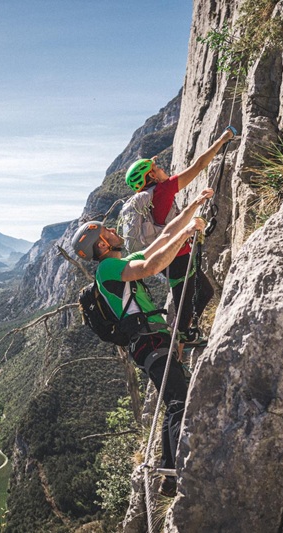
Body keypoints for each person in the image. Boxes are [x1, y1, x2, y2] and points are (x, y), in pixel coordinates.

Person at [71, 189, 213, 497]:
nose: (114, 231)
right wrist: (188, 230)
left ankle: (168, 475)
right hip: (148, 343)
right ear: (103, 243)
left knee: (173, 398)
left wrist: (193, 206)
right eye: (108, 230)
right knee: (178, 399)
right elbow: (150, 267)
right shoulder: (107, 269)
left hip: (153, 340)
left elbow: (161, 243)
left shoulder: (119, 262)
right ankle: (177, 473)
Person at [124, 126, 237, 348]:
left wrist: (151, 163)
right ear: (152, 176)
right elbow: (199, 166)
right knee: (188, 298)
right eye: (157, 167)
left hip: (165, 256)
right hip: (177, 256)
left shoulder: (147, 198)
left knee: (202, 292)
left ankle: (183, 333)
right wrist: (222, 140)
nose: (162, 168)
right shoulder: (163, 190)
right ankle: (181, 338)